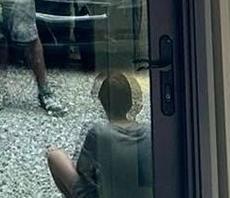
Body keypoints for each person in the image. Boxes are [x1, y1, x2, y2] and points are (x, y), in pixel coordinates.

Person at [45, 70, 152, 198]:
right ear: (129, 102)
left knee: (54, 155)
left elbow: (83, 171)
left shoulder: (99, 132)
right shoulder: (149, 131)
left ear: (103, 103)